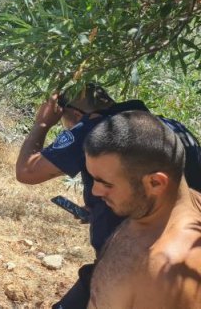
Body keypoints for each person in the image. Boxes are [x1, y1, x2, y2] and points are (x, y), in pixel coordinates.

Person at [14, 83, 201, 308]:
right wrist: (103, 206)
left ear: (76, 114)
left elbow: (27, 171)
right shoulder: (172, 130)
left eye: (105, 183)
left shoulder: (99, 130)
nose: (95, 190)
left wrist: (42, 123)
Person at [85, 111, 201, 308]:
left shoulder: (163, 270)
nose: (95, 191)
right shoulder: (150, 211)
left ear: (155, 183)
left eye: (106, 184)